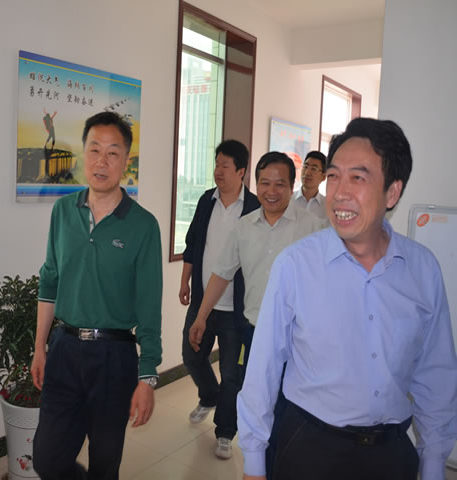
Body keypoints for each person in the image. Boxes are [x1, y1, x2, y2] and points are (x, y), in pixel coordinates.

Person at [238, 118, 457, 480]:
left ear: (392, 193)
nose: (339, 192)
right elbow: (263, 369)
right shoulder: (296, 265)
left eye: (358, 177)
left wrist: (433, 465)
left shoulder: (422, 270)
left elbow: (436, 375)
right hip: (309, 447)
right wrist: (253, 463)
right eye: (334, 176)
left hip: (391, 455)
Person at [31, 111, 163, 480]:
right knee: (46, 460)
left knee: (105, 464)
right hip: (64, 349)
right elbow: (49, 281)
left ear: (126, 160)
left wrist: (147, 376)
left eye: (112, 153)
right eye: (94, 150)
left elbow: (149, 306)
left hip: (114, 357)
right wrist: (40, 347)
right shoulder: (63, 211)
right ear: (83, 152)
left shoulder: (143, 226)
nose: (101, 162)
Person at [188, 151, 323, 459]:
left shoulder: (313, 228)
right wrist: (201, 316)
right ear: (256, 183)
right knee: (257, 403)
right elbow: (221, 274)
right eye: (265, 183)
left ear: (292, 186)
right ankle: (258, 463)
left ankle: (284, 460)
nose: (271, 191)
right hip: (255, 334)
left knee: (291, 408)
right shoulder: (244, 226)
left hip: (298, 338)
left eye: (280, 184)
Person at [179, 140, 261, 460]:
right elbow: (192, 244)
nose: (218, 171)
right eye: (217, 164)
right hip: (203, 301)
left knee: (232, 375)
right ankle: (208, 395)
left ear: (241, 171)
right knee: (191, 355)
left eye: (225, 166)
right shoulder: (206, 201)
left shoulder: (253, 208)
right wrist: (185, 281)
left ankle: (225, 431)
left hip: (235, 310)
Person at [292, 150, 327, 219]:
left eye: (313, 169)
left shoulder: (327, 206)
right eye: (305, 167)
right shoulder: (288, 200)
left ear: (323, 177)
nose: (307, 172)